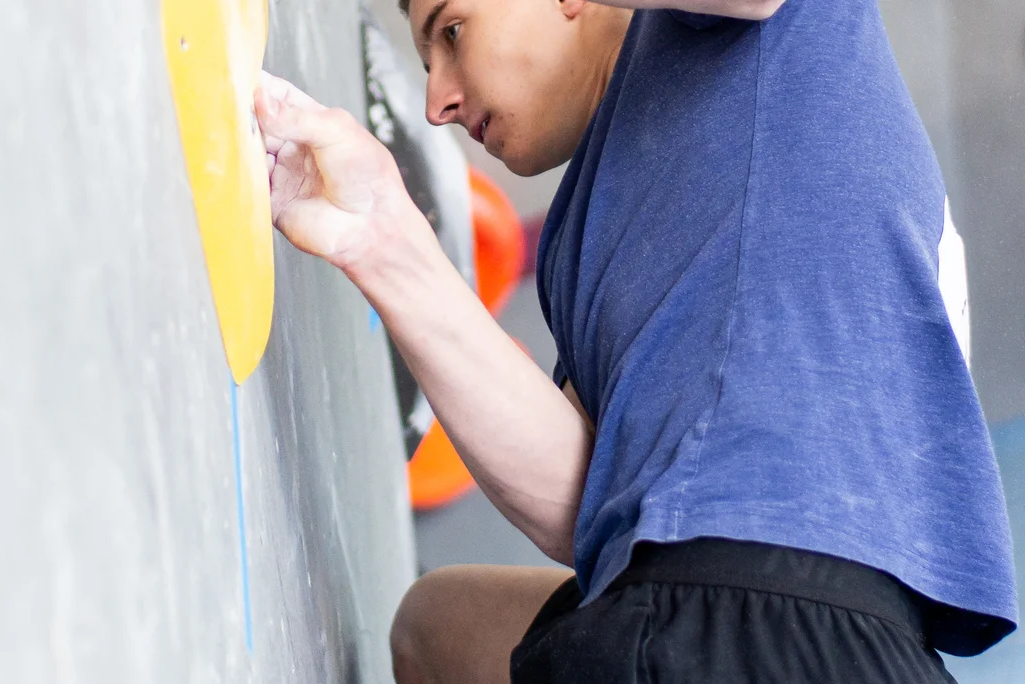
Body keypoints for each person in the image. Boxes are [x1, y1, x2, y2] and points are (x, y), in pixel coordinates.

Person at [254, 0, 1017, 681]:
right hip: (719, 618)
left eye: (452, 32)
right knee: (435, 629)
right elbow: (582, 505)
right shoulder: (577, 247)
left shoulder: (798, 24)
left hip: (787, 619)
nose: (437, 101)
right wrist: (383, 239)